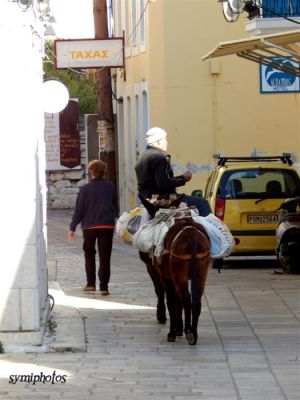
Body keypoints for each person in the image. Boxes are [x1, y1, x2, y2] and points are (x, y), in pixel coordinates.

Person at [135, 127, 211, 216]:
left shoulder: (142, 157)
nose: (166, 142)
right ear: (158, 141)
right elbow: (163, 184)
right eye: (165, 139)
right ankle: (211, 229)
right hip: (161, 199)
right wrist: (183, 178)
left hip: (146, 198)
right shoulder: (158, 157)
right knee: (203, 203)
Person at [67, 160, 116, 295]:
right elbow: (113, 205)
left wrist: (72, 227)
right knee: (105, 256)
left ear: (91, 171)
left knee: (89, 255)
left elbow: (79, 210)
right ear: (103, 171)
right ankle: (104, 287)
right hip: (106, 225)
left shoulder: (85, 189)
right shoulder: (110, 186)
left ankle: (90, 284)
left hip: (89, 226)